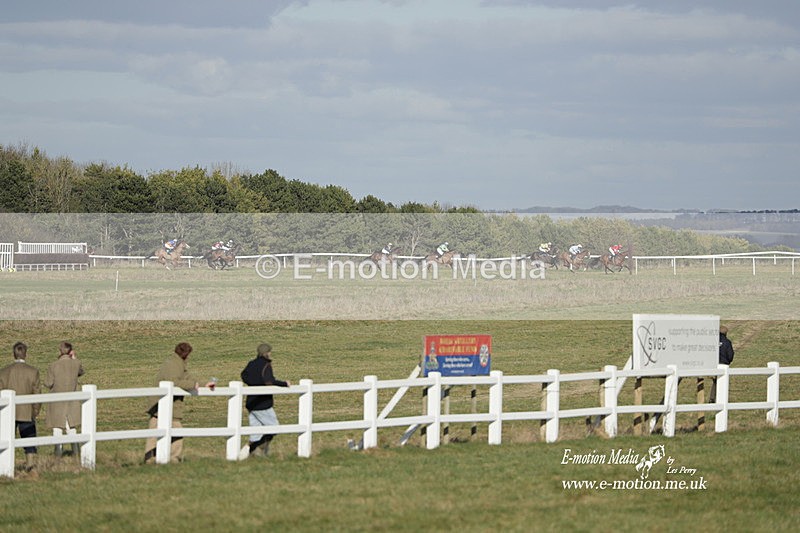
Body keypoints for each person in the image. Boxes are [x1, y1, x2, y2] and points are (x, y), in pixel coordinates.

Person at [144, 343, 215, 464]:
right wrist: (193, 385)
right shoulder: (173, 364)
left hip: (167, 405)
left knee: (163, 431)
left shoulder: (178, 363)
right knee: (167, 431)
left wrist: (203, 384)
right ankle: (162, 458)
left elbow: (187, 378)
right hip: (161, 405)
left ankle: (162, 458)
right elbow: (175, 381)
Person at [238, 343, 290, 459]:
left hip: (251, 402)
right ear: (266, 353)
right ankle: (254, 450)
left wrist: (253, 384)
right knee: (274, 428)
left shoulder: (251, 363)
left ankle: (248, 454)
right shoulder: (266, 365)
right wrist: (285, 384)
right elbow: (269, 381)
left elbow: (244, 375)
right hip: (263, 403)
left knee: (256, 434)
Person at [0, 342, 41, 470]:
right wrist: (35, 411)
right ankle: (30, 467)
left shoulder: (3, 372)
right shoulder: (33, 372)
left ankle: (4, 466)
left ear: (14, 354)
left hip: (7, 412)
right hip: (26, 412)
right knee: (29, 440)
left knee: (4, 439)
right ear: (25, 354)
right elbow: (37, 394)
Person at [44, 341, 85, 457]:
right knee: (71, 429)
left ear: (59, 351)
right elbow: (81, 372)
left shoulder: (53, 365)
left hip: (57, 402)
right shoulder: (76, 363)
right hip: (72, 402)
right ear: (71, 351)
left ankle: (58, 455)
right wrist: (74, 358)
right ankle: (76, 454)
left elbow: (48, 383)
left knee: (57, 429)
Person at [710, 325, 735, 403]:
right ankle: (721, 399)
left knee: (715, 381)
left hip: (714, 364)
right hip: (723, 364)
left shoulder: (712, 341)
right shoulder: (727, 342)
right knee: (722, 381)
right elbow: (730, 355)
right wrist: (728, 361)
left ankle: (712, 398)